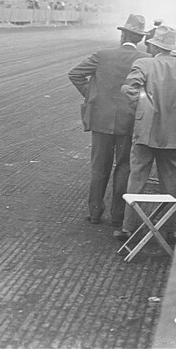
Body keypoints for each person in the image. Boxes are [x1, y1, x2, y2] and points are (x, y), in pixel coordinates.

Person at [115, 25, 176, 244]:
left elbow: (129, 89)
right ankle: (171, 230)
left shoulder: (144, 63)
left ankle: (128, 227)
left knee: (137, 178)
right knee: (171, 183)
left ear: (153, 45)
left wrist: (145, 107)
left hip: (146, 132)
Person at [68, 13, 148, 227]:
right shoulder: (145, 60)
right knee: (124, 168)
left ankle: (94, 213)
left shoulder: (102, 55)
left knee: (99, 167)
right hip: (129, 122)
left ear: (123, 36)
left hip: (101, 120)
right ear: (139, 39)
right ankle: (118, 216)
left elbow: (74, 74)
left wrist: (91, 95)